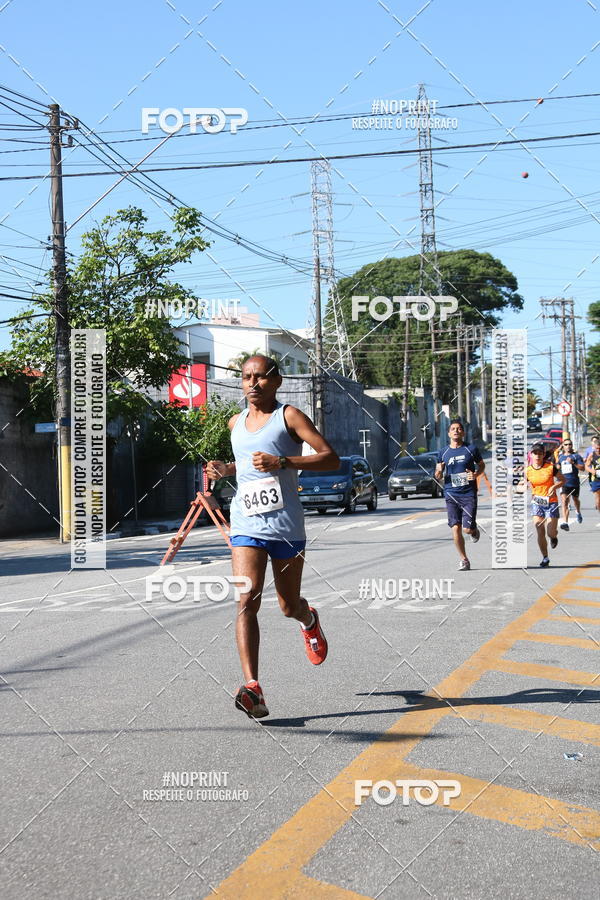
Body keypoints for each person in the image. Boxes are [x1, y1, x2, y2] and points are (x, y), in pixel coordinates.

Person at [206, 354, 340, 719]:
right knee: (245, 601)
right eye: (246, 377)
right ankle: (253, 687)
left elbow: (330, 458)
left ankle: (308, 620)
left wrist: (283, 462)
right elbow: (246, 464)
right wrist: (225, 469)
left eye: (260, 376)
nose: (252, 383)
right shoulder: (235, 422)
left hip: (285, 527)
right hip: (246, 525)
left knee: (287, 606)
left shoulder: (290, 417)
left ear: (276, 381)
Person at [434, 419, 485, 571]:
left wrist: (475, 474)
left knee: (467, 530)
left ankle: (474, 530)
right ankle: (464, 559)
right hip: (451, 494)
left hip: (468, 494)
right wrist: (438, 472)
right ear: (449, 433)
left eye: (459, 429)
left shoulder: (471, 449)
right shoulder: (443, 452)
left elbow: (481, 465)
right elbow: (438, 475)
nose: (456, 431)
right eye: (453, 429)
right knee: (455, 528)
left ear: (463, 432)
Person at [526, 443, 565, 567]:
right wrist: (521, 487)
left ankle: (553, 537)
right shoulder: (528, 470)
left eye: (540, 453)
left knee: (550, 532)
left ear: (543, 455)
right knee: (539, 528)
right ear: (531, 455)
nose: (537, 456)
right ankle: (545, 557)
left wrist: (554, 486)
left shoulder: (550, 467)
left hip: (551, 502)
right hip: (537, 502)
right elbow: (521, 484)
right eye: (535, 453)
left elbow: (563, 480)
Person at [557, 439, 585, 529]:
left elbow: (582, 468)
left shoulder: (576, 456)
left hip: (574, 482)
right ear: (563, 446)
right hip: (564, 483)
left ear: (572, 445)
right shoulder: (560, 457)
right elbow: (557, 467)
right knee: (564, 501)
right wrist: (557, 467)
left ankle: (578, 511)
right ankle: (565, 522)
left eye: (569, 444)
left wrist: (573, 462)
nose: (568, 446)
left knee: (575, 500)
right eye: (566, 444)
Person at [585, 441, 600, 514]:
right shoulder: (592, 455)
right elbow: (586, 466)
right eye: (597, 448)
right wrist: (591, 471)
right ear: (594, 448)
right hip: (596, 480)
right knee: (598, 499)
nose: (598, 450)